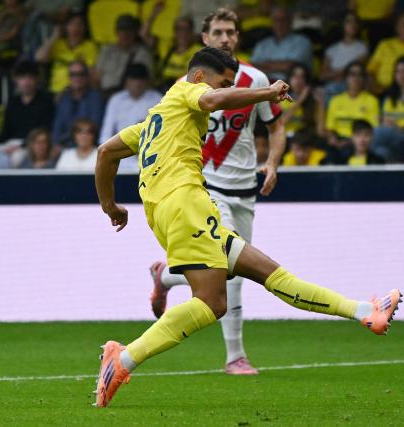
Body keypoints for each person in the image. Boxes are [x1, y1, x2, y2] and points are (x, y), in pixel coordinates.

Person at [94, 46, 402, 408]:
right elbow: (211, 100)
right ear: (198, 77)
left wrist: (110, 205)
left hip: (173, 211)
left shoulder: (153, 122)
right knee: (212, 303)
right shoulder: (186, 91)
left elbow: (105, 153)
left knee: (270, 273)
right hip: (185, 204)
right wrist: (268, 92)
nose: (224, 89)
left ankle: (365, 311)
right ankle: (124, 360)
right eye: (222, 82)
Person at [148, 9, 288, 376]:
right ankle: (235, 357)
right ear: (204, 39)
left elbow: (276, 127)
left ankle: (165, 276)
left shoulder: (254, 77)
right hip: (206, 185)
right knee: (232, 271)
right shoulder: (191, 86)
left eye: (231, 32)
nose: (225, 38)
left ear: (238, 37)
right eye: (218, 32)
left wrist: (272, 162)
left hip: (245, 187)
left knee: (231, 268)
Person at [98, 64, 161, 171]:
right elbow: (105, 136)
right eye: (133, 79)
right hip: (120, 157)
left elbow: (163, 133)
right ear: (126, 81)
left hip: (150, 157)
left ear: (146, 82)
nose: (137, 83)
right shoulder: (116, 100)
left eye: (140, 80)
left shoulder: (157, 99)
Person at [325, 61, 379, 163]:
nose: (355, 78)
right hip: (338, 140)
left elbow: (372, 129)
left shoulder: (372, 101)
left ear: (364, 79)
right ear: (346, 78)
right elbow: (329, 128)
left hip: (359, 142)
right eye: (352, 74)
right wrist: (332, 139)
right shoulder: (335, 100)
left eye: (359, 75)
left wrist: (349, 141)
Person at [34, 11, 99, 94]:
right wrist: (54, 37)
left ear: (84, 28)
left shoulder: (90, 46)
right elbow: (38, 58)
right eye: (72, 24)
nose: (76, 28)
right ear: (66, 27)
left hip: (79, 91)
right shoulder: (58, 44)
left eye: (80, 25)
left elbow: (93, 73)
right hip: (57, 91)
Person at [93, 14, 153, 97]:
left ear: (135, 32)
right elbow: (96, 77)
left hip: (130, 97)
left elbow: (147, 81)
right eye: (122, 30)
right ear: (116, 32)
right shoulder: (107, 50)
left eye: (129, 30)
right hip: (104, 94)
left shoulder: (143, 53)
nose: (125, 34)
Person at [142, 12, 202, 92]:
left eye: (186, 29)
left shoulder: (199, 50)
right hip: (162, 88)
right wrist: (153, 14)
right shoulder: (166, 45)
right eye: (179, 29)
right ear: (174, 32)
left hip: (184, 90)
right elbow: (143, 35)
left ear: (191, 31)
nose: (182, 33)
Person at [367, 12, 404, 93]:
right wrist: (374, 86)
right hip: (380, 89)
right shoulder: (385, 44)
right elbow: (371, 71)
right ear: (397, 27)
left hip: (403, 91)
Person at [250, 6, 313, 81]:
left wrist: (264, 65)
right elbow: (252, 67)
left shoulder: (303, 41)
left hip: (289, 86)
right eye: (276, 20)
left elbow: (291, 67)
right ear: (272, 22)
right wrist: (279, 65)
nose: (280, 23)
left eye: (284, 20)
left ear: (290, 21)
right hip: (263, 85)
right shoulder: (262, 44)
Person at [52, 60, 105, 147]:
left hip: (87, 146)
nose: (77, 78)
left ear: (87, 77)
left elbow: (93, 128)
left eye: (81, 74)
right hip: (63, 146)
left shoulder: (96, 98)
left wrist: (64, 140)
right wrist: (55, 144)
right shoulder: (63, 98)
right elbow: (57, 126)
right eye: (73, 74)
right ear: (69, 78)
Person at [0, 61, 55, 143]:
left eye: (30, 78)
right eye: (22, 78)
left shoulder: (46, 102)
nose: (26, 82)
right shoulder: (12, 103)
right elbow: (6, 131)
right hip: (11, 144)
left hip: (35, 145)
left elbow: (44, 132)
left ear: (36, 79)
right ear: (16, 80)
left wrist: (22, 145)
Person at [320, 12, 369, 101]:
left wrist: (334, 73)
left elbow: (355, 70)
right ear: (343, 25)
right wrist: (342, 72)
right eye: (349, 21)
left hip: (352, 84)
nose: (353, 24)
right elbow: (322, 75)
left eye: (355, 22)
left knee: (331, 89)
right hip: (332, 85)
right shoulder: (331, 49)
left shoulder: (363, 48)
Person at [279, 63, 324, 139]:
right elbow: (281, 122)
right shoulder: (280, 98)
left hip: (305, 140)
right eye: (295, 76)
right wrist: (301, 99)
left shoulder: (313, 101)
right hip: (284, 139)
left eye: (302, 76)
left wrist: (321, 104)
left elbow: (321, 132)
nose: (298, 80)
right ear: (289, 79)